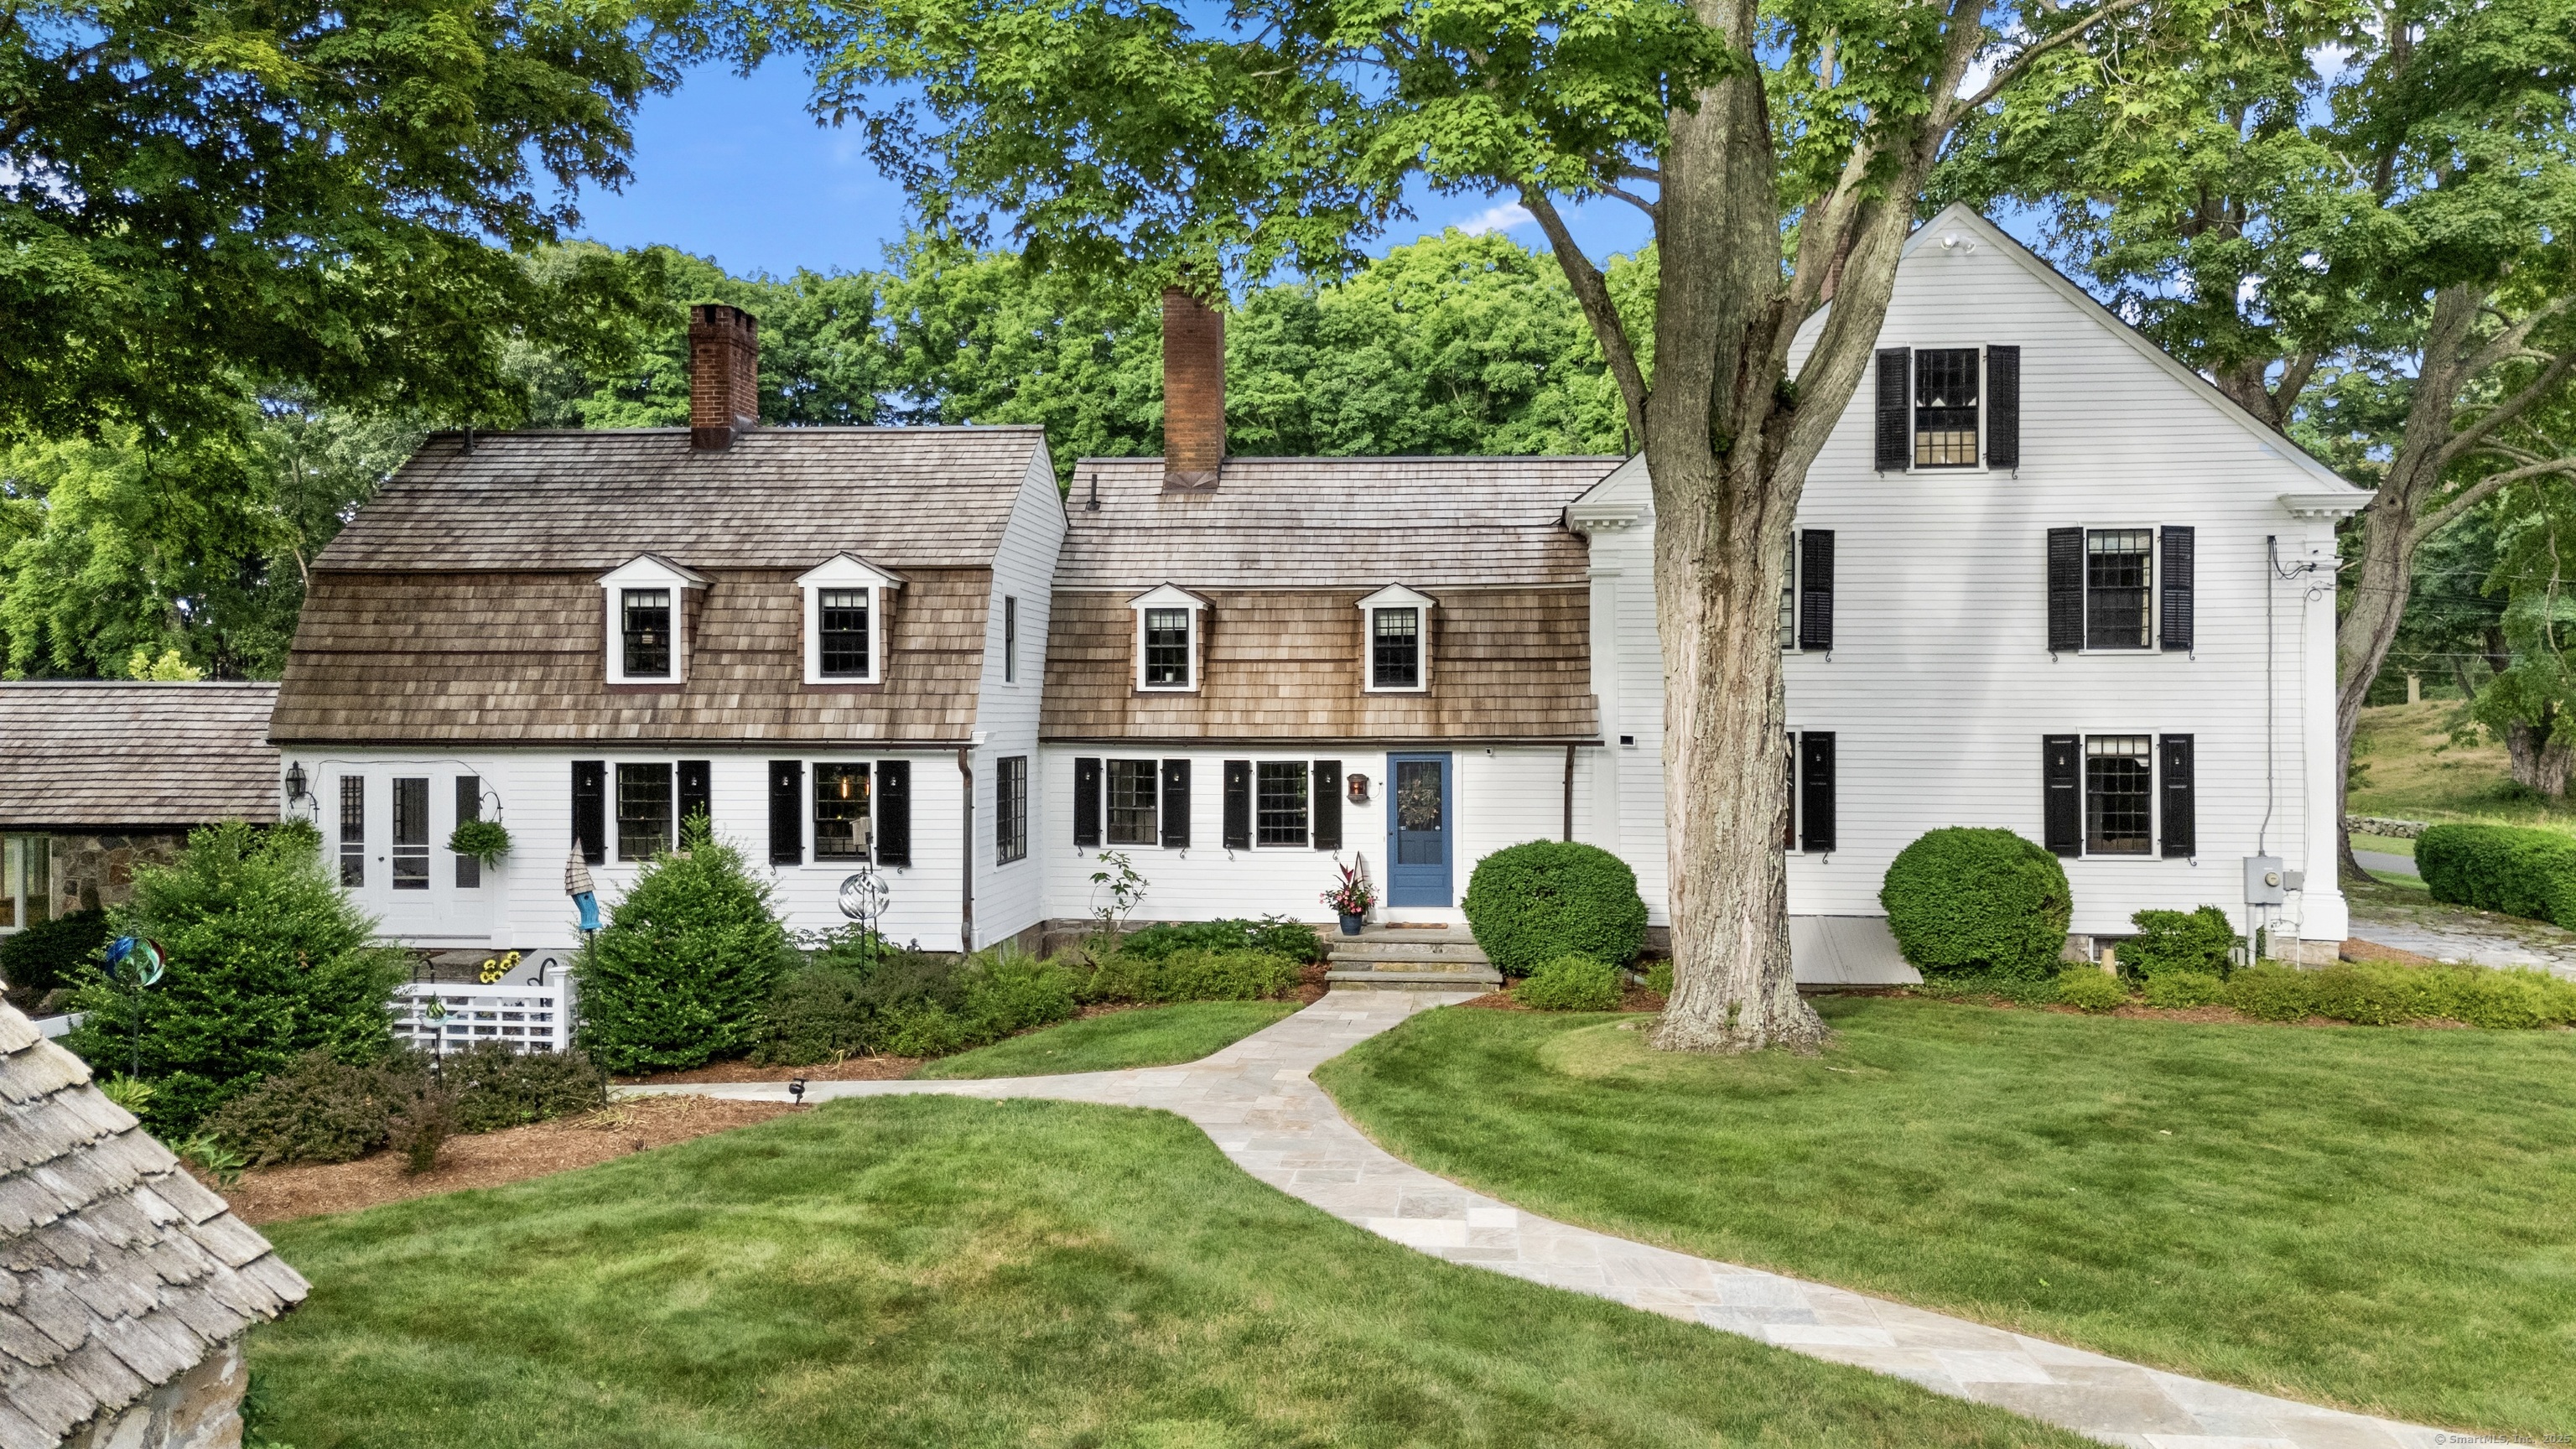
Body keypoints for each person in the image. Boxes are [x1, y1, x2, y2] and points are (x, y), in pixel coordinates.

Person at [565, 849, 600, 934]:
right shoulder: (577, 880)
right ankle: (589, 919)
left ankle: (590, 920)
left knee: (591, 907)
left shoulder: (579, 880)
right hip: (579, 885)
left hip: (580, 884)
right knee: (589, 906)